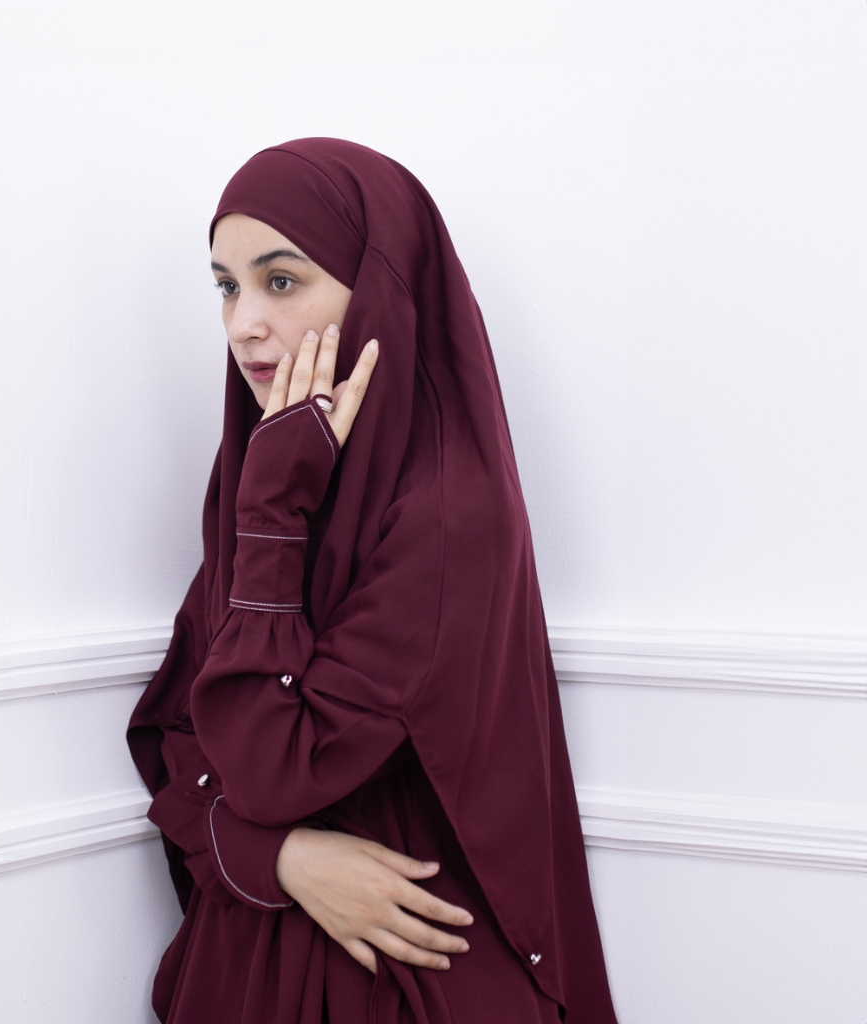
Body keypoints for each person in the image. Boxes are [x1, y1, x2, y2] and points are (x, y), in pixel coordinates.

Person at [128, 138, 617, 1024]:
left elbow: (271, 772)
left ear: (379, 292)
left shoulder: (449, 516)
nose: (244, 324)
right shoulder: (260, 477)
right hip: (251, 958)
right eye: (227, 286)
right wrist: (278, 858)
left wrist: (273, 512)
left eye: (282, 280)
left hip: (406, 975)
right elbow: (177, 734)